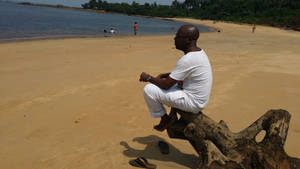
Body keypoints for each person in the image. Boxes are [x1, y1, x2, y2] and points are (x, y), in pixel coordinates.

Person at [139, 25, 213, 131]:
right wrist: (165, 75)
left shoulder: (188, 59)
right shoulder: (199, 53)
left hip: (193, 102)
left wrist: (148, 77)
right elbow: (184, 73)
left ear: (187, 40)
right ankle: (173, 114)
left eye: (178, 36)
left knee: (149, 90)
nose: (175, 38)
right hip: (198, 98)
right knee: (171, 82)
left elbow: (165, 85)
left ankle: (165, 119)